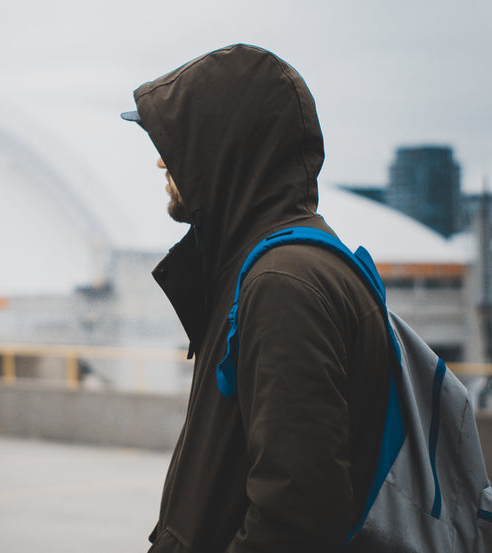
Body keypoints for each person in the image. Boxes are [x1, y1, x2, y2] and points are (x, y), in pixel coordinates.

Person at [122, 44, 392, 552]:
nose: (161, 159)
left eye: (174, 143)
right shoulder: (269, 266)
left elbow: (299, 516)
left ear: (223, 148)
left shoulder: (283, 283)